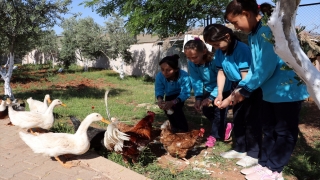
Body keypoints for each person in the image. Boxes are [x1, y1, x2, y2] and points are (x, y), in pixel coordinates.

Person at [224, 1, 309, 179]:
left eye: (235, 22)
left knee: (284, 132)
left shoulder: (267, 30)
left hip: (286, 90)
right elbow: (255, 68)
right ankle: (265, 164)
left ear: (246, 14)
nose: (236, 28)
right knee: (269, 130)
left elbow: (266, 67)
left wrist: (245, 91)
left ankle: (275, 169)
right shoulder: (254, 34)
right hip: (269, 92)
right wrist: (240, 88)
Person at [203, 23, 262, 168]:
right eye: (213, 45)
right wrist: (219, 95)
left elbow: (246, 77)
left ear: (227, 37)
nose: (216, 47)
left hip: (249, 86)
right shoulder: (219, 52)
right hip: (236, 85)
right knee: (238, 117)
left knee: (251, 120)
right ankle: (240, 149)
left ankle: (253, 154)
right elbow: (221, 73)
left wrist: (230, 98)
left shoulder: (242, 50)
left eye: (217, 44)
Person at [184, 38, 232, 147]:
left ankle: (214, 136)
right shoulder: (192, 63)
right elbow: (196, 80)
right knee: (205, 109)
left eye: (195, 57)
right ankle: (225, 127)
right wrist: (199, 98)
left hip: (223, 89)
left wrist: (211, 98)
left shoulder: (215, 60)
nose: (192, 60)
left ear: (204, 51)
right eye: (189, 58)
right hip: (209, 89)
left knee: (219, 113)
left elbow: (223, 79)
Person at [155, 54, 191, 133]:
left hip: (180, 95)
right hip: (168, 95)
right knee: (167, 109)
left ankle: (183, 129)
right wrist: (160, 99)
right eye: (162, 69)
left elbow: (185, 92)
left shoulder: (184, 76)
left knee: (176, 108)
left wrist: (173, 102)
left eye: (168, 70)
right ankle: (174, 126)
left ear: (176, 70)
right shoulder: (159, 76)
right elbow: (159, 89)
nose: (165, 72)